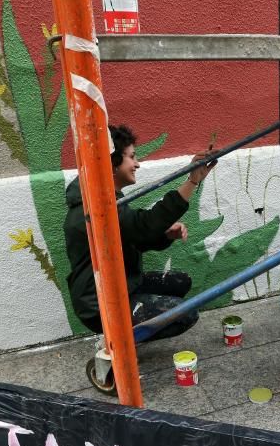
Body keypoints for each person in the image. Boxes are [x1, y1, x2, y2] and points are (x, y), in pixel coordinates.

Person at [64, 124, 215, 339]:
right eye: (132, 157)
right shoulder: (94, 209)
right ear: (113, 162)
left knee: (182, 282)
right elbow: (143, 226)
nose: (137, 164)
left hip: (121, 286)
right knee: (186, 312)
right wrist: (192, 181)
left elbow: (135, 236)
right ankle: (117, 346)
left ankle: (127, 330)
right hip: (101, 305)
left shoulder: (102, 201)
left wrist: (164, 235)